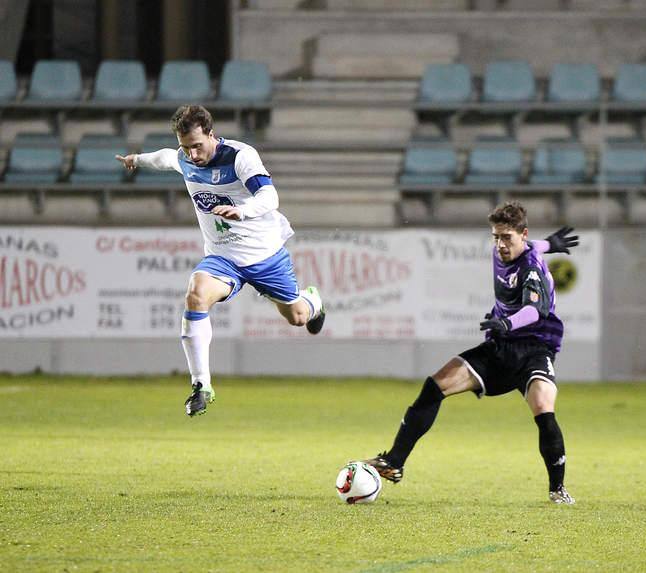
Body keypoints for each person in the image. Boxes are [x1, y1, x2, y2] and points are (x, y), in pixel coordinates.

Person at [116, 105, 325, 417]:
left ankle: (313, 301)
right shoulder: (184, 158)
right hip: (222, 257)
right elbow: (164, 158)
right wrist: (137, 160)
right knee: (196, 293)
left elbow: (270, 198)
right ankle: (201, 385)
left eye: (198, 146)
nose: (193, 155)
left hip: (264, 256)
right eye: (185, 147)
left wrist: (243, 210)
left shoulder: (240, 157)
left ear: (211, 135)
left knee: (296, 317)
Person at [366, 201, 579, 504]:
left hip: (535, 347)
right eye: (496, 236)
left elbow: (533, 310)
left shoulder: (531, 269)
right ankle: (394, 462)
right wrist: (550, 243)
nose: (500, 244)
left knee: (544, 408)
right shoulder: (512, 247)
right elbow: (532, 244)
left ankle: (557, 489)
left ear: (522, 234)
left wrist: (507, 321)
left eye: (507, 237)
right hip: (500, 345)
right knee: (436, 385)